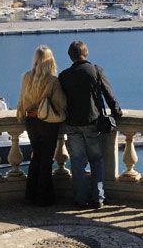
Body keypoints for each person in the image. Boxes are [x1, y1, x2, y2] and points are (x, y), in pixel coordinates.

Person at [58, 40, 122, 208]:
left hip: (71, 124)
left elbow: (60, 102)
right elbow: (109, 94)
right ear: (86, 53)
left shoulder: (63, 76)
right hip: (92, 122)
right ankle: (98, 198)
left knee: (77, 163)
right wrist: (117, 113)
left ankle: (80, 199)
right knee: (96, 160)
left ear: (70, 56)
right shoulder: (95, 70)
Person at [15, 46, 67, 206]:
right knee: (46, 160)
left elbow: (21, 101)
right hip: (48, 123)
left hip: (30, 122)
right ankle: (43, 197)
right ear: (50, 60)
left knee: (36, 156)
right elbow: (61, 104)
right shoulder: (53, 80)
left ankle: (31, 194)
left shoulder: (26, 77)